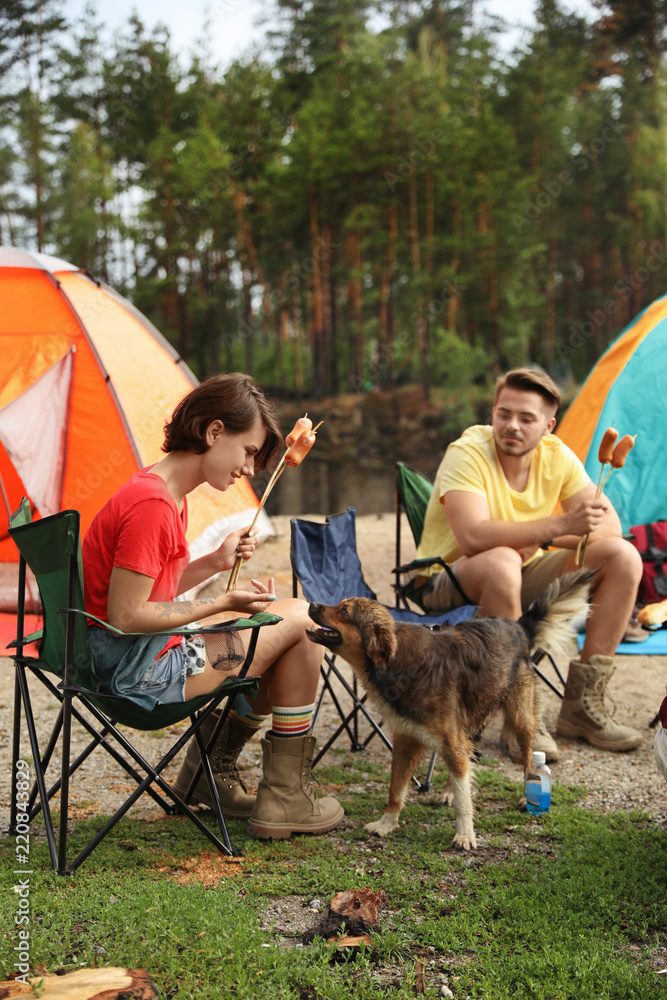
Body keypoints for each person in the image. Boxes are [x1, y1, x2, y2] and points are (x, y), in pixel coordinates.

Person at [81, 372, 343, 840]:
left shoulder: (162, 492)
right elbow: (126, 615)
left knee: (285, 632)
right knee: (301, 617)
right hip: (142, 674)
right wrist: (219, 602)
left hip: (139, 659)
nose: (250, 468)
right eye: (248, 451)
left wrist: (215, 562)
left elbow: (150, 591)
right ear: (214, 431)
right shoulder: (152, 505)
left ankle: (214, 775)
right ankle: (281, 796)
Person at [409, 367, 644, 761]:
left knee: (623, 556)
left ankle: (582, 707)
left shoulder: (556, 455)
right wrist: (559, 525)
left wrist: (544, 537)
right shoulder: (467, 451)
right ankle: (518, 718)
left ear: (548, 426)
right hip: (445, 581)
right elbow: (473, 537)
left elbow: (609, 529)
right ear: (493, 413)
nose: (512, 426)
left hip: (518, 574)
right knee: (501, 559)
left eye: (526, 418)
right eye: (504, 414)